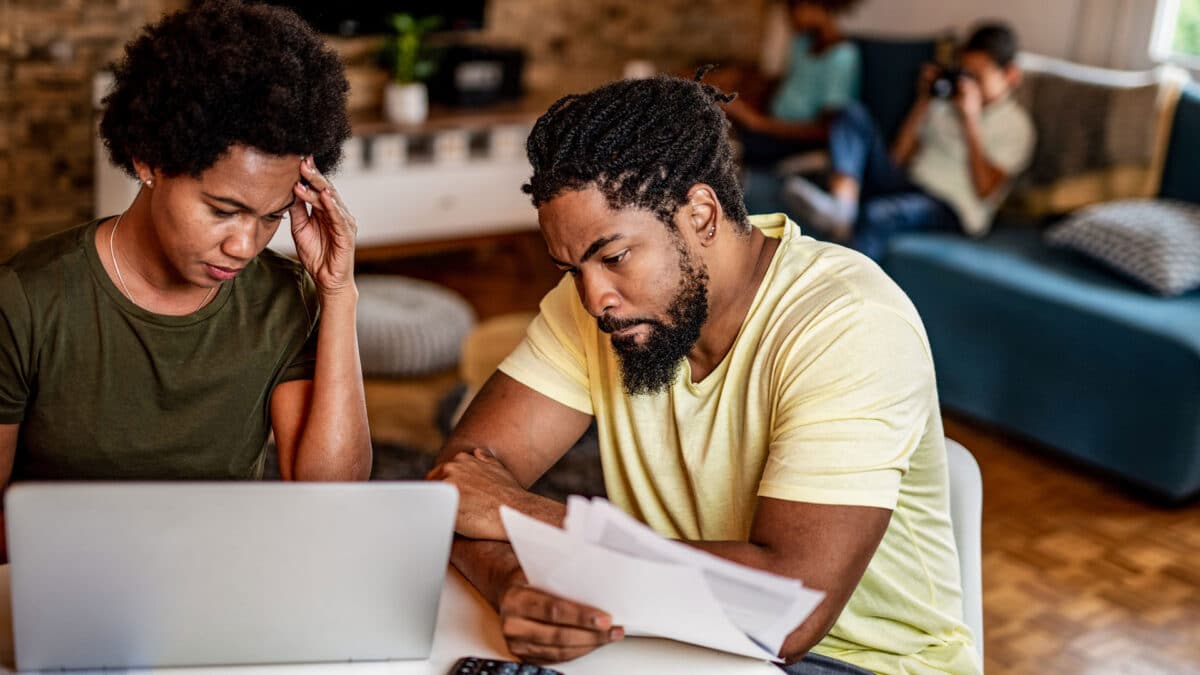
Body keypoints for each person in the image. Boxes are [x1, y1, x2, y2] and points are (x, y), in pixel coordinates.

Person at [428, 71, 980, 675]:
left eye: (614, 257)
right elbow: (463, 481)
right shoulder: (600, 306)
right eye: (571, 267)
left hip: (857, 662)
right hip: (679, 637)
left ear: (701, 213)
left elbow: (789, 615)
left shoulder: (850, 323)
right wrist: (514, 586)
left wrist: (531, 516)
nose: (594, 298)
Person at [0, 1, 372, 559]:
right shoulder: (26, 300)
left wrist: (338, 294)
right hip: (66, 591)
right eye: (223, 209)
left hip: (217, 583)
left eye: (270, 216)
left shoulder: (283, 298)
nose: (244, 247)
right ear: (149, 160)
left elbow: (330, 501)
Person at [784, 22, 1036, 261]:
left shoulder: (1017, 126)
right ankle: (842, 208)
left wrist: (970, 121)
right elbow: (898, 157)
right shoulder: (946, 104)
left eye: (979, 77)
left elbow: (985, 191)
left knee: (879, 215)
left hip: (951, 207)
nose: (969, 84)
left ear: (1011, 75)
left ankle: (841, 295)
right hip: (910, 184)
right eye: (966, 74)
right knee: (851, 115)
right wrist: (923, 101)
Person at [722, 0, 865, 168]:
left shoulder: (842, 57)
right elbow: (786, 87)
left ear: (818, 7)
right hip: (772, 127)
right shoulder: (802, 44)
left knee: (729, 149)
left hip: (796, 140)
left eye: (792, 9)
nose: (788, 17)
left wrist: (758, 123)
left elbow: (825, 130)